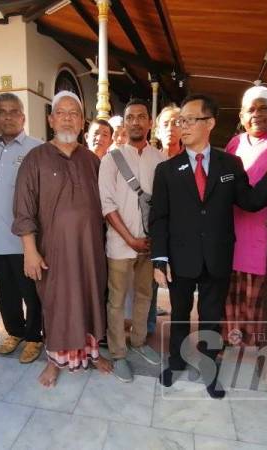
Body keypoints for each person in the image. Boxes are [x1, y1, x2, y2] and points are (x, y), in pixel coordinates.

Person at [150, 93, 267, 398]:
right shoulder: (167, 170)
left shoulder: (230, 163)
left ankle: (209, 369)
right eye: (181, 120)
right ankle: (176, 361)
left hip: (218, 255)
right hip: (181, 257)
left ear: (210, 123)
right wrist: (159, 259)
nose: (184, 126)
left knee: (211, 315)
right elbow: (159, 218)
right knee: (179, 312)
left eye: (191, 119)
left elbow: (249, 201)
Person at [12, 90, 113, 387]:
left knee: (92, 299)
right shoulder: (35, 159)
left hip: (90, 250)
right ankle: (55, 361)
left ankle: (93, 354)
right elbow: (23, 208)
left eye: (74, 114)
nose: (68, 119)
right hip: (52, 251)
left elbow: (108, 204)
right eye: (62, 113)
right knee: (56, 305)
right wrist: (30, 251)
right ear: (51, 119)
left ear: (82, 122)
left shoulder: (93, 161)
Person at [98, 99, 165, 382]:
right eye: (130, 117)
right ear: (123, 124)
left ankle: (138, 343)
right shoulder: (110, 159)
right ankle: (118, 353)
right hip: (119, 244)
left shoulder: (160, 160)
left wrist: (153, 241)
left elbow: (164, 205)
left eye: (141, 117)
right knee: (116, 300)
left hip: (149, 245)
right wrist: (130, 239)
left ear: (150, 123)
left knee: (145, 296)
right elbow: (107, 204)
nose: (135, 121)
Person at [0, 93, 44, 363]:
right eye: (2, 112)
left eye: (13, 111)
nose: (8, 117)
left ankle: (34, 337)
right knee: (5, 291)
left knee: (30, 292)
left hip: (24, 239)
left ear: (23, 116)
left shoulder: (36, 148)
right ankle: (15, 331)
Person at [223, 86, 267, 346]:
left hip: (263, 232)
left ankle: (254, 343)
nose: (256, 114)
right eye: (250, 110)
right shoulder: (235, 143)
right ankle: (231, 338)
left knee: (255, 291)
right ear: (242, 116)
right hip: (232, 231)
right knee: (231, 290)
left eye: (263, 108)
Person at [147, 104, 183, 334]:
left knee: (181, 291)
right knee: (150, 285)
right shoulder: (151, 159)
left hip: (183, 238)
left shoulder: (193, 158)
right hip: (157, 234)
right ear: (158, 129)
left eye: (176, 122)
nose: (171, 128)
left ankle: (179, 338)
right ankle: (149, 326)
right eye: (166, 124)